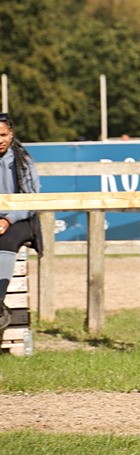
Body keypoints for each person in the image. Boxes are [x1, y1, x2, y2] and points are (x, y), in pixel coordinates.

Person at [0, 113, 42, 331]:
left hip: (21, 218)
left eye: (3, 135)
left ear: (11, 134)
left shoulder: (23, 161)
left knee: (6, 240)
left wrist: (8, 219)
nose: (0, 140)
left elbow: (32, 199)